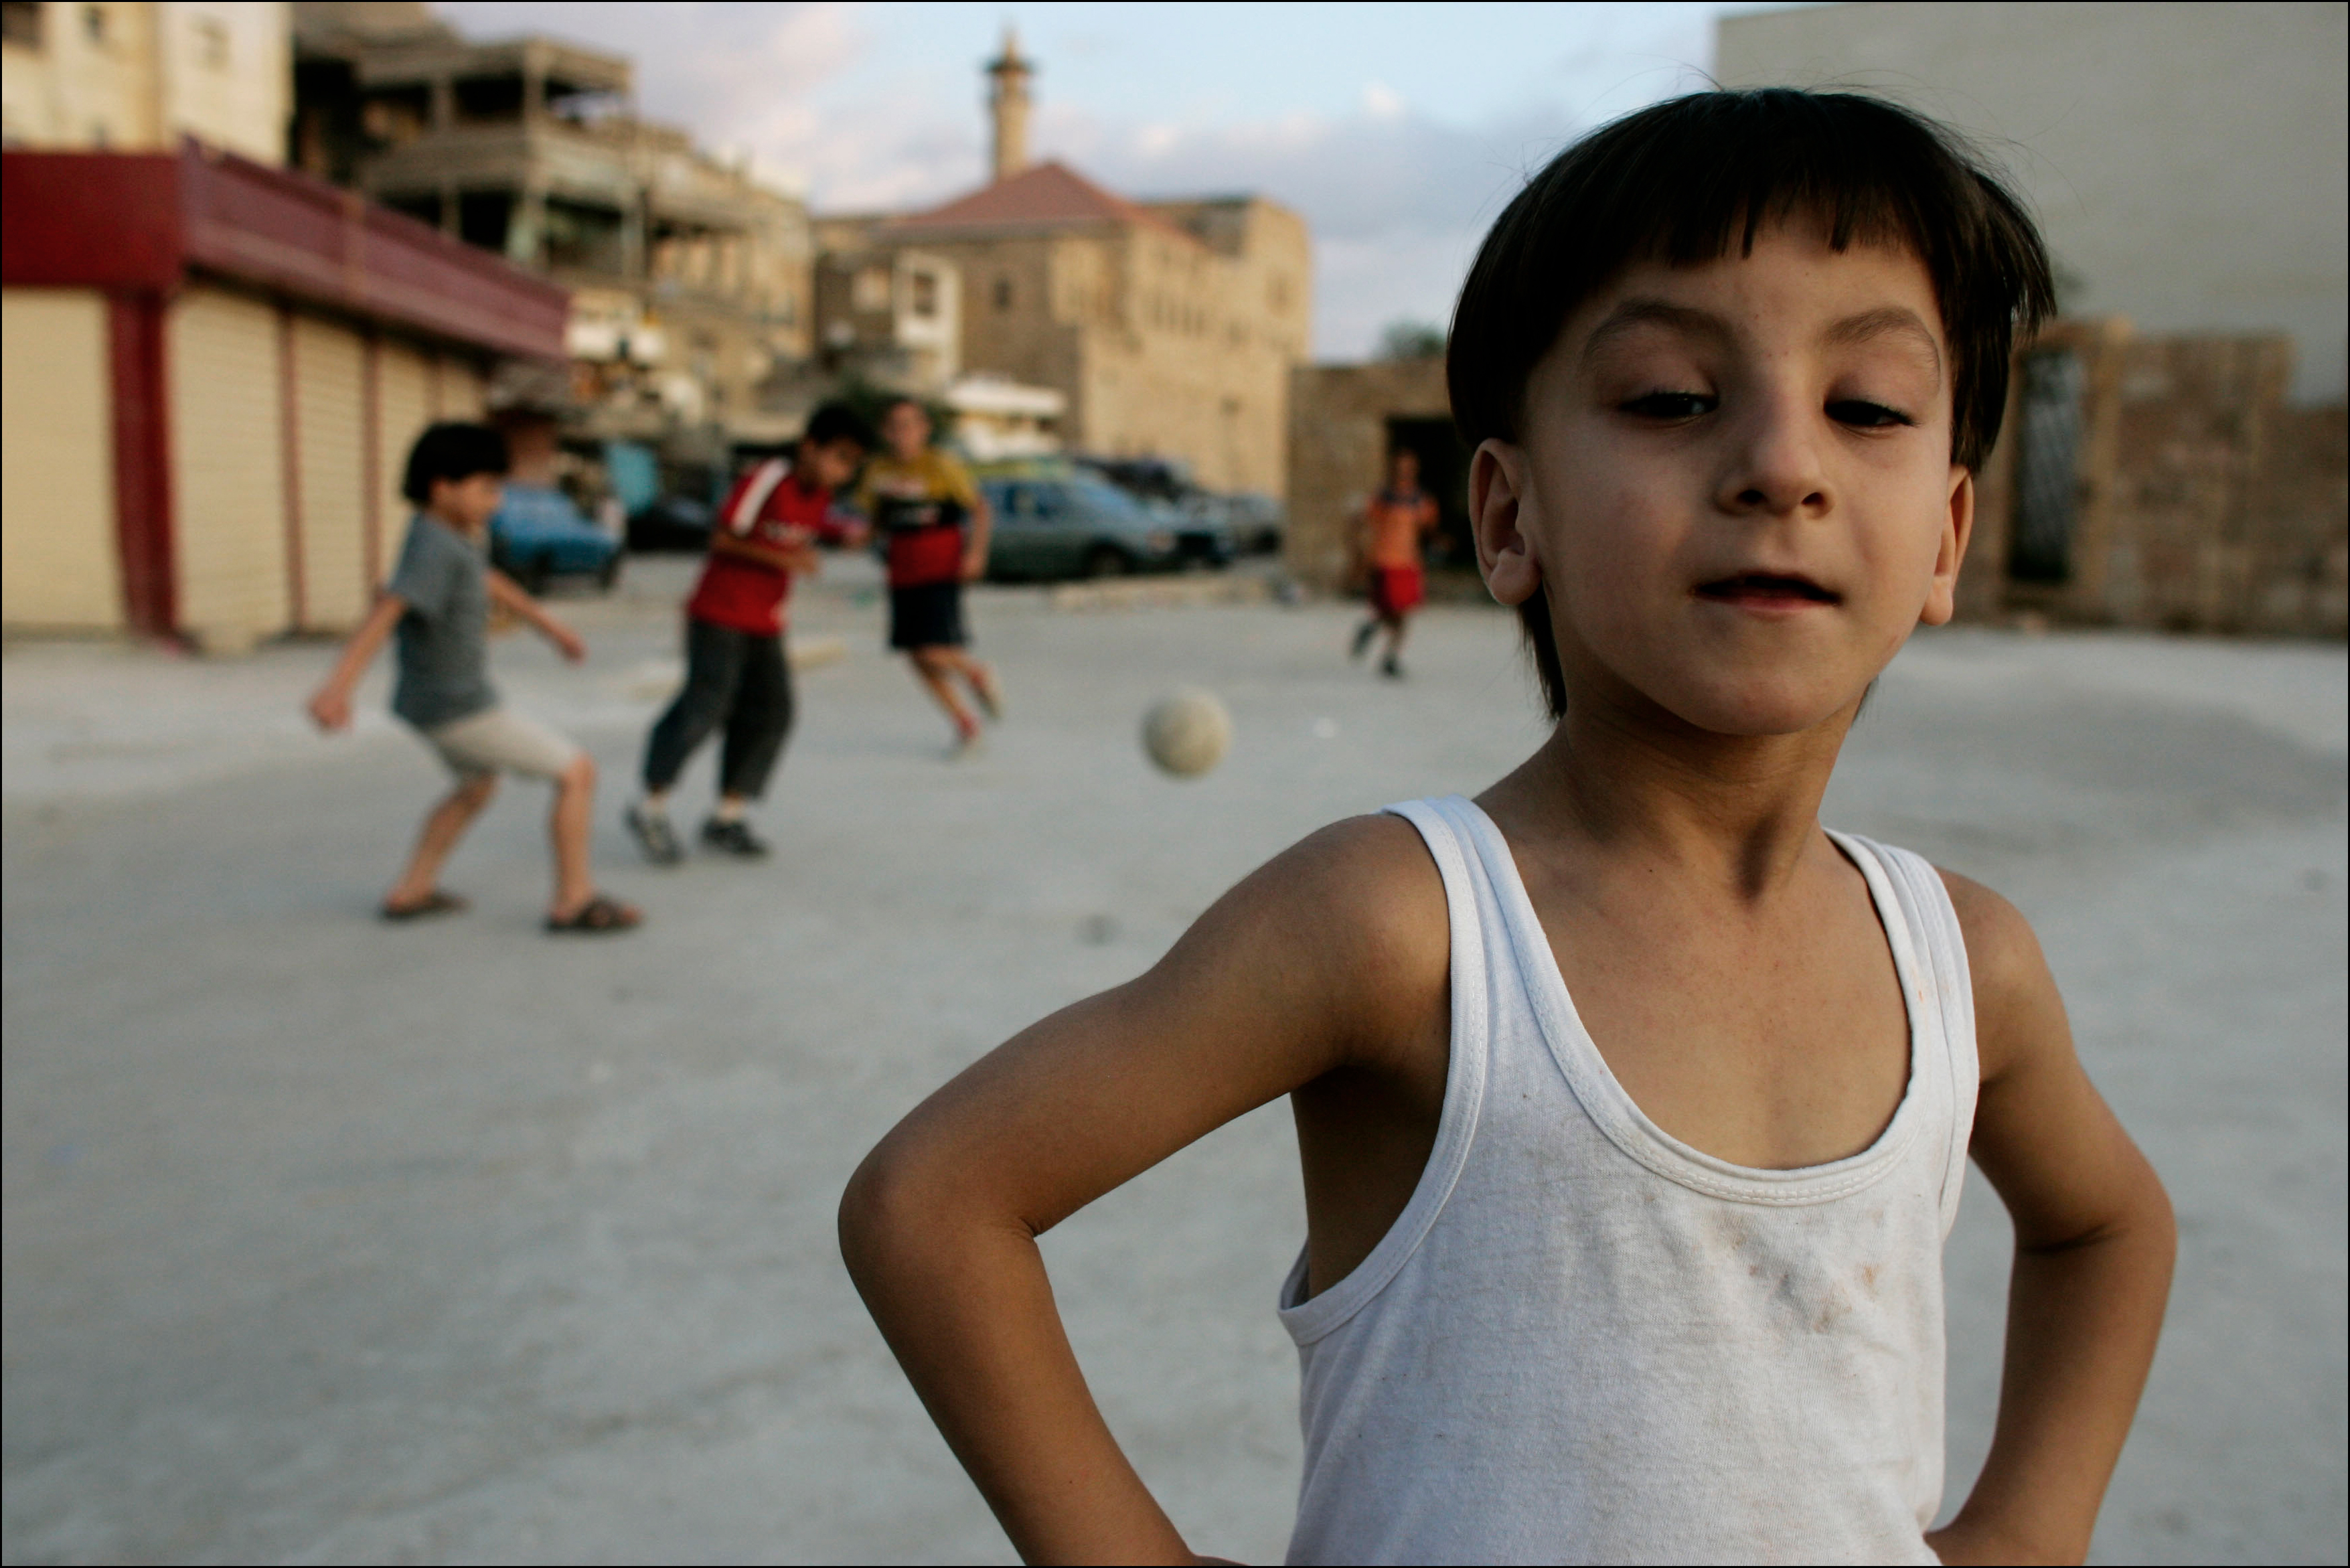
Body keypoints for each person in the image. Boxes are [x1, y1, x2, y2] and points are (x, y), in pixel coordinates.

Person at [838, 89, 2175, 1565]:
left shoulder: (1963, 963)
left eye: (1866, 406)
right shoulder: (1407, 927)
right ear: (1507, 517)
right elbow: (938, 1199)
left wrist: (2033, 1528)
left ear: (1947, 535)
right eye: (1672, 396)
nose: (1782, 465)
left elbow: (2108, 1227)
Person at [307, 422, 641, 934]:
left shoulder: (445, 536)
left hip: (432, 701)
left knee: (477, 786)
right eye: (487, 488)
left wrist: (550, 628)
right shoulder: (435, 547)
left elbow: (487, 580)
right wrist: (337, 689)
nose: (497, 500)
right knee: (576, 773)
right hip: (458, 706)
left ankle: (411, 890)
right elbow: (388, 609)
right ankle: (574, 900)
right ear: (443, 488)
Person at [625, 402, 874, 864]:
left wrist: (837, 539)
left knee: (773, 711)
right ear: (810, 447)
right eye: (838, 457)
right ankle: (649, 806)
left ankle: (727, 815)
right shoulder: (769, 478)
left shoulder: (817, 496)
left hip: (765, 620)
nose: (842, 472)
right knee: (705, 706)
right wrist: (785, 560)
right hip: (719, 613)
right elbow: (722, 537)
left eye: (851, 465)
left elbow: (802, 535)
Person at [856, 397, 1002, 755]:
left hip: (939, 568)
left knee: (933, 651)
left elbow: (980, 509)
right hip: (902, 572)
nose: (902, 434)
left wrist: (976, 554)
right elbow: (875, 521)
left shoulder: (941, 466)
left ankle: (974, 672)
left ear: (924, 430)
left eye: (910, 425)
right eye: (894, 426)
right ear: (885, 432)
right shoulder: (878, 471)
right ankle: (966, 725)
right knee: (916, 658)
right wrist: (859, 536)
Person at [1349, 447, 1441, 678]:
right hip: (1385, 561)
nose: (1405, 472)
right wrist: (1360, 555)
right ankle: (1379, 639)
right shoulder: (1384, 498)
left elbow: (1430, 528)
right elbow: (1360, 522)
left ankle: (1388, 652)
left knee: (1403, 612)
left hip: (1409, 562)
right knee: (1394, 610)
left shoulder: (1420, 499)